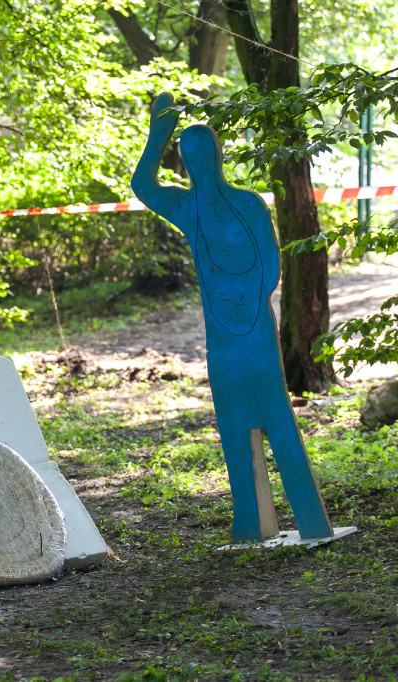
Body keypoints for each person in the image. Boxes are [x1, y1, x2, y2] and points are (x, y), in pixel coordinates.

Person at [132, 93, 333, 542]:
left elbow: (270, 264)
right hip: (221, 338)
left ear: (216, 155)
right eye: (190, 154)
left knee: (278, 419)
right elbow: (143, 187)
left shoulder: (247, 204)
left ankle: (310, 520)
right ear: (185, 160)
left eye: (203, 152)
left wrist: (244, 305)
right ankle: (249, 523)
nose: (199, 161)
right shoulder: (188, 208)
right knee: (233, 425)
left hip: (251, 333)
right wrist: (156, 137)